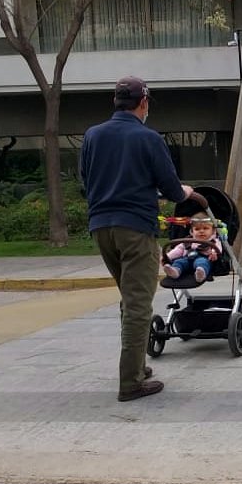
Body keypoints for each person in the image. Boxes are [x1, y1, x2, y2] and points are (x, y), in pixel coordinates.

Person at [79, 76, 195, 402]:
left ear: (116, 102)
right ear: (143, 103)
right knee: (138, 306)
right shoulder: (148, 138)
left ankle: (137, 366)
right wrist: (185, 192)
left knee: (130, 301)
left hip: (101, 229)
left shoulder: (92, 136)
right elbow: (173, 190)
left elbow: (85, 185)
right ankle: (130, 382)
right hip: (135, 230)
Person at [163, 214, 221, 283]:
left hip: (204, 259)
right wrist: (168, 256)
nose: (201, 231)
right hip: (187, 259)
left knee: (202, 262)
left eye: (205, 228)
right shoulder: (188, 240)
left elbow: (218, 247)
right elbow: (178, 250)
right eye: (197, 229)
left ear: (213, 230)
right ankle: (175, 271)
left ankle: (201, 274)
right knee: (179, 262)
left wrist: (214, 253)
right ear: (192, 231)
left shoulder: (213, 241)